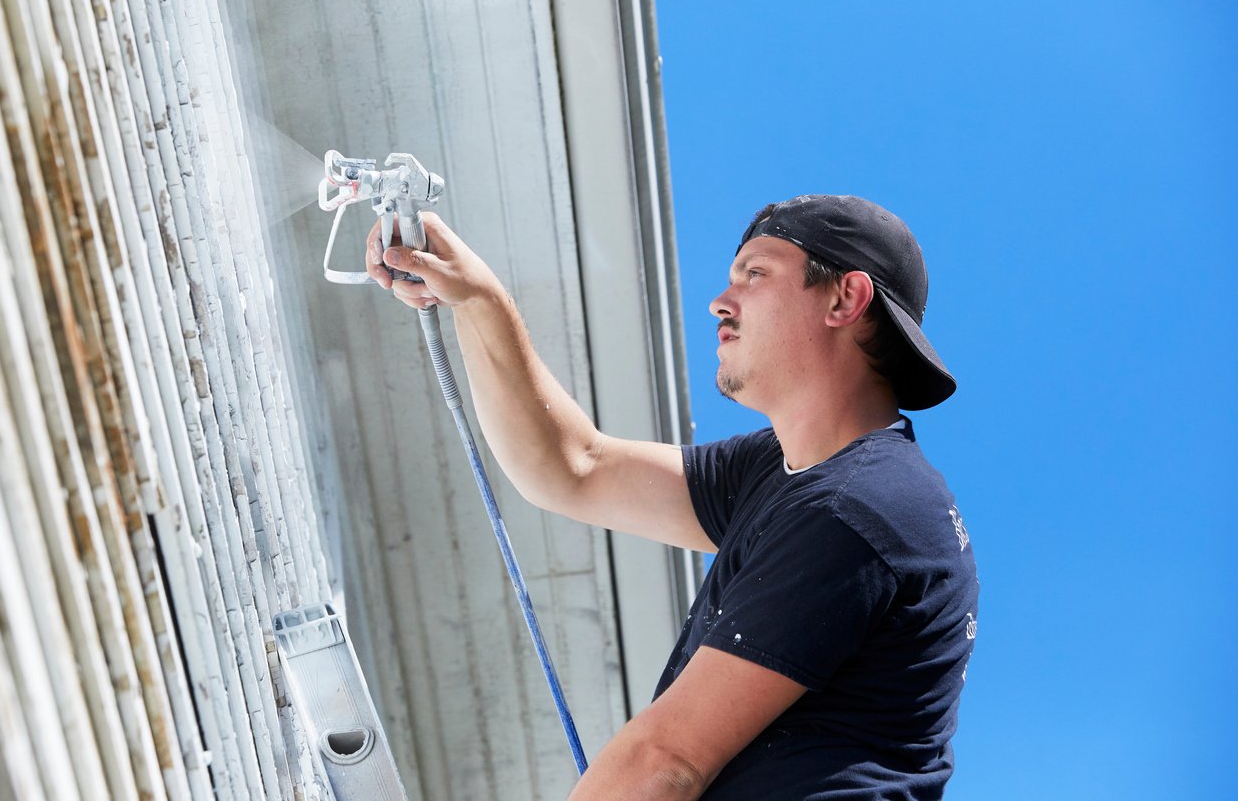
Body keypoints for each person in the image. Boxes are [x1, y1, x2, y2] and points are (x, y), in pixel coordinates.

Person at [367, 194, 978, 800]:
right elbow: (574, 468)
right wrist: (477, 299)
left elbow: (665, 762)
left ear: (845, 299)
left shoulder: (860, 506)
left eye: (756, 273)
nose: (720, 301)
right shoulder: (784, 473)